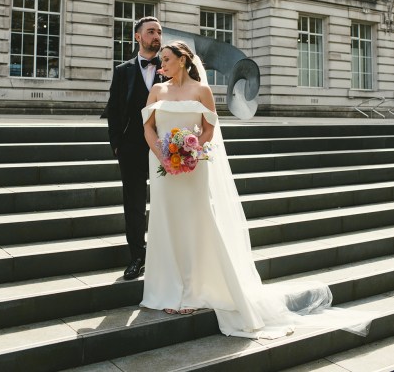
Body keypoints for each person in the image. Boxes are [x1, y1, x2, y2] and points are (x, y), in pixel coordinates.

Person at [140, 41, 373, 338]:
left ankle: (194, 291)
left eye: (167, 59)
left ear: (184, 61)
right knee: (166, 223)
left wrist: (193, 152)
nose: (162, 64)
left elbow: (210, 128)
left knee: (196, 224)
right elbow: (148, 127)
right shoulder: (157, 90)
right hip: (162, 167)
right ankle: (167, 289)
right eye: (161, 59)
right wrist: (163, 155)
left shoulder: (202, 91)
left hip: (195, 165)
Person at [107, 16, 162, 280]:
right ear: (138, 37)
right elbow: (114, 110)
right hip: (131, 147)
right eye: (151, 31)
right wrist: (116, 144)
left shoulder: (173, 67)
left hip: (166, 147)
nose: (156, 36)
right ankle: (137, 257)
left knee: (167, 202)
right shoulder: (123, 70)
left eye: (159, 32)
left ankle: (167, 256)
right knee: (134, 205)